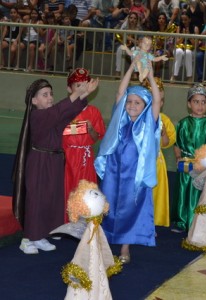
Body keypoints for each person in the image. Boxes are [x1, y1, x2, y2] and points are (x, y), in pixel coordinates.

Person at [12, 76, 99, 254]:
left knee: (50, 198)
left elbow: (66, 113)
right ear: (34, 101)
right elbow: (59, 111)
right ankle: (28, 238)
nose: (50, 97)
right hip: (39, 162)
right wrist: (77, 93)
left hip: (53, 161)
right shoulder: (37, 116)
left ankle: (41, 234)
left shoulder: (51, 116)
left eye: (51, 94)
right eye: (44, 95)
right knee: (37, 200)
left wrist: (83, 96)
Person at [94, 59, 161, 264]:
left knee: (132, 209)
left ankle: (125, 246)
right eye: (130, 102)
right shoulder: (119, 118)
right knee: (108, 206)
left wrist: (149, 75)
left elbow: (157, 100)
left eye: (137, 103)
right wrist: (132, 67)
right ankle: (103, 241)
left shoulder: (149, 122)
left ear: (145, 106)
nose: (132, 105)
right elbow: (120, 93)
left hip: (135, 176)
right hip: (113, 173)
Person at [171, 83, 206, 233]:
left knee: (198, 193)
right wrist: (178, 157)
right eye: (196, 101)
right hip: (186, 164)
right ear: (189, 104)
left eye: (203, 102)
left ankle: (196, 222)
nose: (200, 105)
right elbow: (177, 144)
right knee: (182, 192)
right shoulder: (182, 124)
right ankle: (181, 221)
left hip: (202, 167)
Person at [63, 68, 106, 222]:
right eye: (77, 85)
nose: (81, 88)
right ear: (69, 88)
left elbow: (96, 137)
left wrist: (91, 129)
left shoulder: (94, 112)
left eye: (84, 84)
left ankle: (86, 219)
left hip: (86, 158)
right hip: (68, 157)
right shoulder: (63, 110)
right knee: (68, 187)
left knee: (87, 188)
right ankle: (67, 221)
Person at [143, 77, 176, 227]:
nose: (158, 103)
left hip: (156, 163)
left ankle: (152, 222)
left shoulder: (164, 120)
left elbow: (166, 144)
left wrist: (163, 134)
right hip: (140, 162)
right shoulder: (137, 118)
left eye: (161, 100)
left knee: (155, 193)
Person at [170, 11, 199, 83]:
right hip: (179, 48)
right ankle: (174, 76)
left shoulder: (195, 28)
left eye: (185, 20)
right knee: (179, 52)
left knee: (188, 52)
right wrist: (183, 36)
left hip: (191, 50)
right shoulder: (179, 28)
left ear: (190, 19)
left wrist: (189, 36)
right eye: (182, 20)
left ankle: (190, 77)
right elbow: (176, 42)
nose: (184, 22)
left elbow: (196, 45)